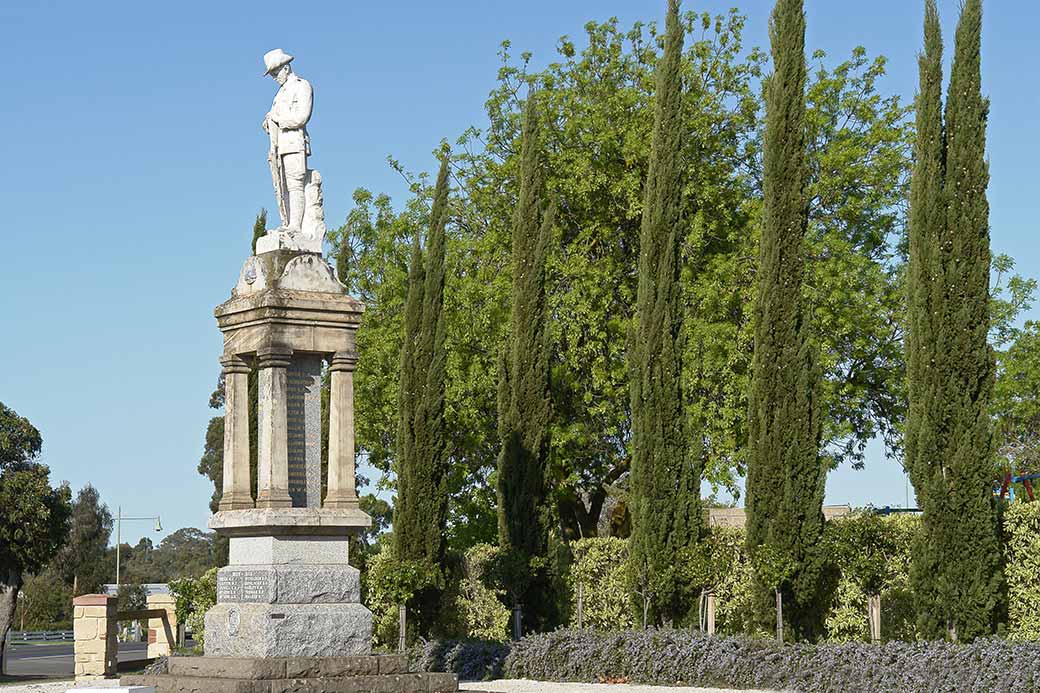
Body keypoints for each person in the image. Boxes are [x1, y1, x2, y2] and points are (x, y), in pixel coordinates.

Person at [262, 49, 313, 232]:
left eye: (276, 73)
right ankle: (287, 223)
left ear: (286, 68)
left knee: (295, 184)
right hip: (279, 146)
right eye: (272, 74)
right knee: (282, 186)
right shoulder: (280, 94)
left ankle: (296, 227)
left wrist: (278, 120)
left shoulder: (302, 86)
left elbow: (301, 117)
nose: (275, 77)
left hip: (294, 143)